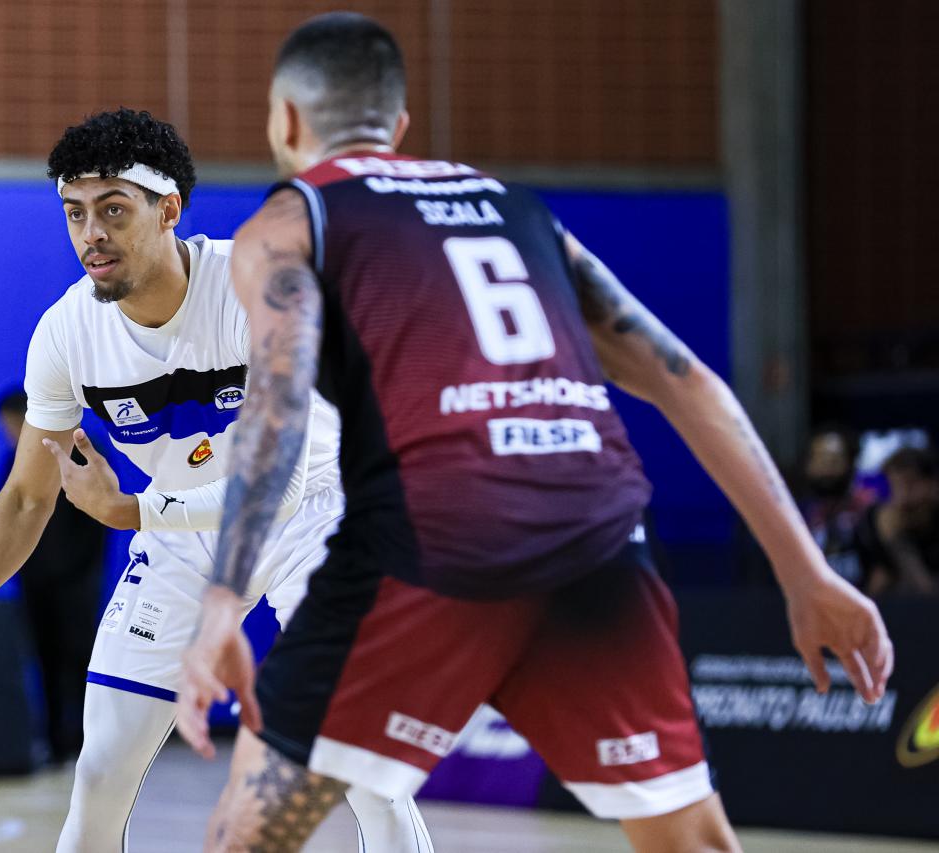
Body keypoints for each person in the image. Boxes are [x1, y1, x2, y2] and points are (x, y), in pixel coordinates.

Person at [176, 13, 894, 853]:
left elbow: (277, 408)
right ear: (400, 127)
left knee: (244, 838)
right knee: (691, 841)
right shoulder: (523, 216)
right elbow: (689, 381)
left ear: (285, 120)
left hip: (432, 543)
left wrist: (223, 603)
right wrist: (804, 574)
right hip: (597, 541)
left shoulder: (290, 224)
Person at [0, 108, 431, 852]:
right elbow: (28, 496)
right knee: (98, 773)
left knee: (363, 768)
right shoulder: (66, 333)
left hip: (315, 514)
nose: (91, 233)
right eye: (75, 213)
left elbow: (278, 489)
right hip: (182, 536)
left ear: (169, 211)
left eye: (114, 211)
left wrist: (133, 508)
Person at [0, 388, 108, 764]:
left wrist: (78, 574)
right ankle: (56, 742)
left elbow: (98, 519)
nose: (8, 433)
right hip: (35, 581)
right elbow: (6, 506)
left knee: (80, 659)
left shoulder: (79, 449)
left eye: (10, 425)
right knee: (44, 658)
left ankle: (94, 741)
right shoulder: (17, 459)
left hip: (74, 583)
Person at [797, 425, 873, 587]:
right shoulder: (795, 515)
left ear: (851, 463)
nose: (827, 468)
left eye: (835, 460)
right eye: (820, 459)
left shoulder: (869, 510)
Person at [857, 446, 939, 596]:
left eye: (910, 485)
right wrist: (892, 541)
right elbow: (875, 591)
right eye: (894, 486)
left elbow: (928, 594)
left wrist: (896, 542)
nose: (901, 499)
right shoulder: (873, 523)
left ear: (934, 486)